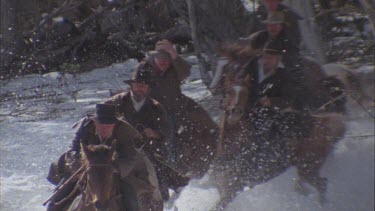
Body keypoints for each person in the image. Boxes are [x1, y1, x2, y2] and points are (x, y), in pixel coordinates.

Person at [47, 104, 162, 211]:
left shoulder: (124, 131)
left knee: (131, 200)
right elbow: (73, 149)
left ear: (114, 124)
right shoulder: (85, 126)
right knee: (56, 201)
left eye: (108, 126)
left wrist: (115, 169)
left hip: (114, 171)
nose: (104, 129)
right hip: (85, 169)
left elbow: (130, 157)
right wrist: (77, 165)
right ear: (95, 123)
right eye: (101, 125)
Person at [105, 64, 189, 201]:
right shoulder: (115, 102)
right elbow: (99, 118)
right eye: (137, 85)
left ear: (148, 88)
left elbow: (166, 132)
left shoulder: (155, 107)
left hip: (145, 149)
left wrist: (154, 133)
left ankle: (161, 200)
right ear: (131, 86)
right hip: (115, 147)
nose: (139, 89)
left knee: (157, 171)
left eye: (143, 86)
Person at [140, 39, 217, 177]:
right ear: (154, 58)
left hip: (179, 107)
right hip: (157, 113)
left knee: (206, 127)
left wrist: (175, 56)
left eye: (167, 58)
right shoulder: (144, 68)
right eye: (160, 58)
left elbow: (186, 72)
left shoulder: (174, 67)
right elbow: (136, 88)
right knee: (169, 142)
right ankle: (174, 172)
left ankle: (211, 158)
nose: (163, 62)